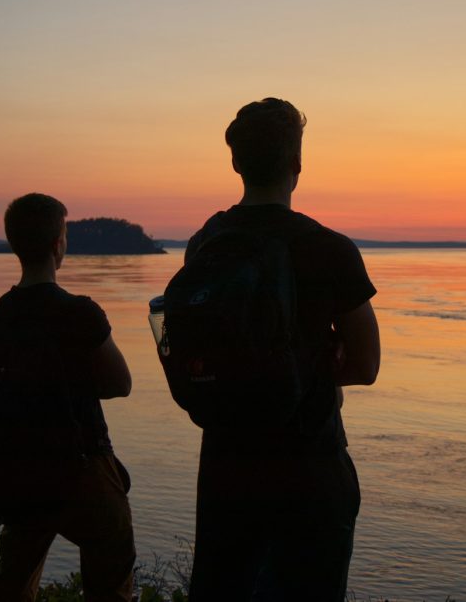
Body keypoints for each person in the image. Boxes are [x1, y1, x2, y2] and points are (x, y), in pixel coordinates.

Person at [185, 98, 381, 601]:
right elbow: (366, 365)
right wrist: (311, 363)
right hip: (309, 462)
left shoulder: (206, 242)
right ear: (297, 163)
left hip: (227, 464)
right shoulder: (330, 248)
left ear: (236, 162)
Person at [0, 193, 135, 602]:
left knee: (15, 580)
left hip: (22, 464)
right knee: (111, 575)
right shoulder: (81, 313)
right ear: (58, 245)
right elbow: (121, 382)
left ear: (14, 245)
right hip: (84, 462)